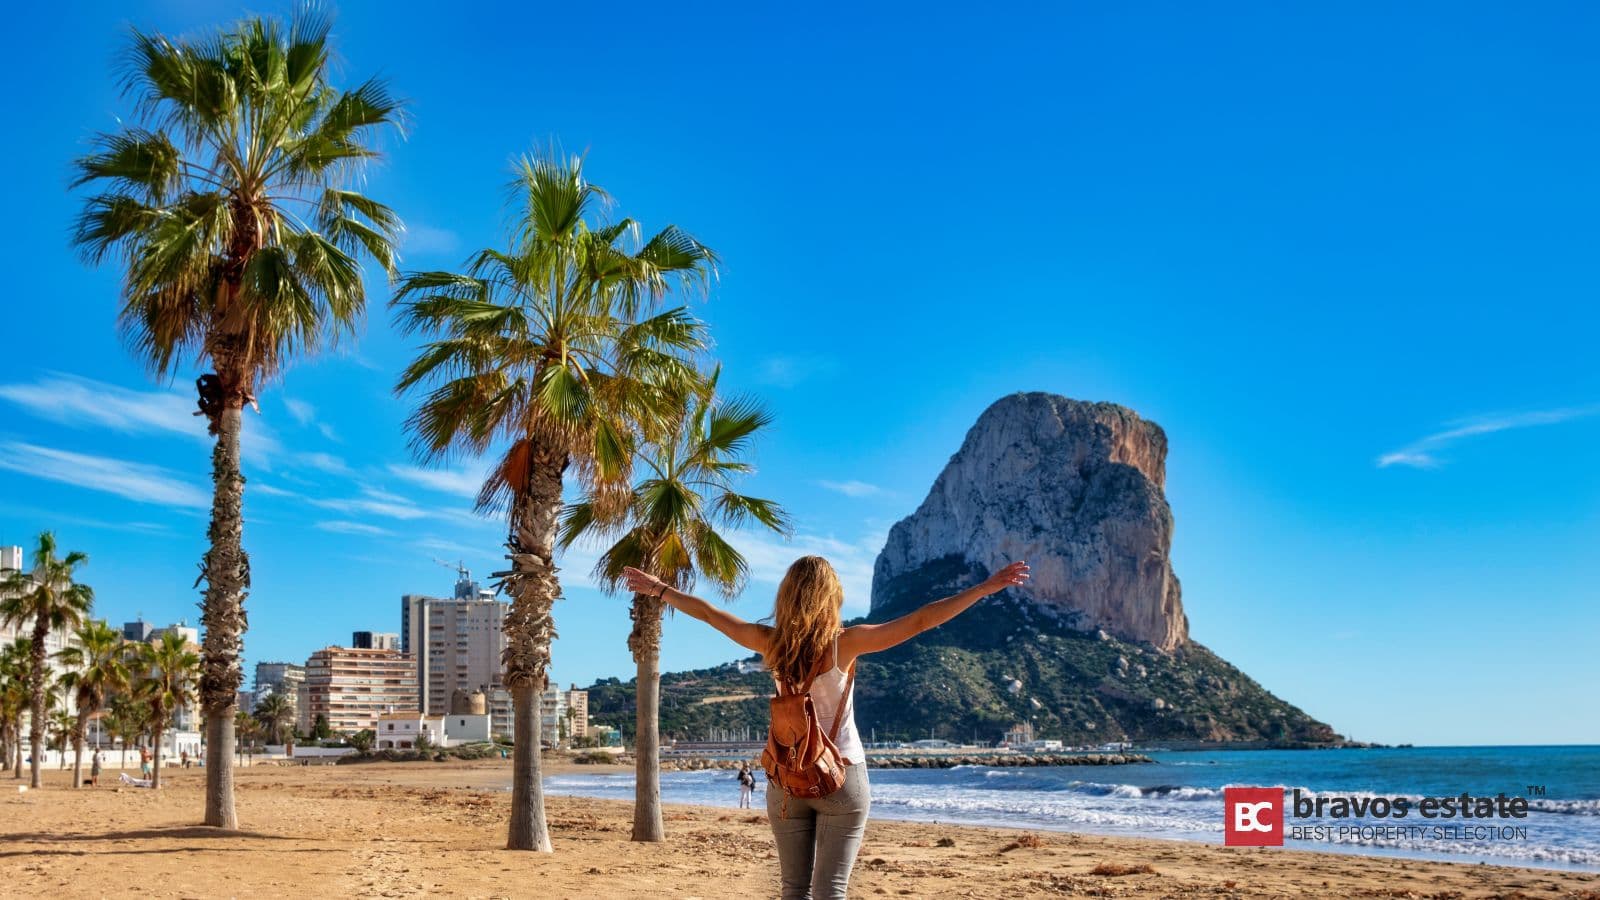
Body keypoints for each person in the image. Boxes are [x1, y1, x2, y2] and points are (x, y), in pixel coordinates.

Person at [623, 556, 1029, 900]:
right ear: (830, 598)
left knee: (792, 890)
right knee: (830, 891)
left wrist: (660, 589)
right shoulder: (844, 644)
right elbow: (921, 620)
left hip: (785, 779)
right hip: (842, 776)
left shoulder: (770, 643)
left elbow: (712, 615)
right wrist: (982, 589)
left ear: (787, 596)